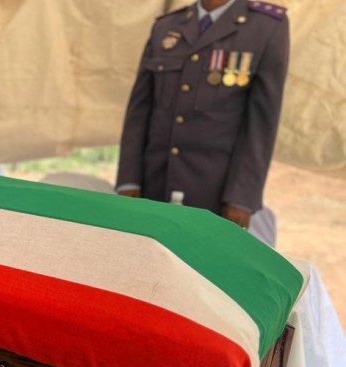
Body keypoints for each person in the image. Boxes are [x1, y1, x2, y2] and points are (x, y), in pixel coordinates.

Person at [115, 0, 290, 229]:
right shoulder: (166, 26)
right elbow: (139, 112)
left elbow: (261, 124)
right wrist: (128, 180)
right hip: (154, 186)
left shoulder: (265, 26)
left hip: (214, 194)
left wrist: (241, 198)